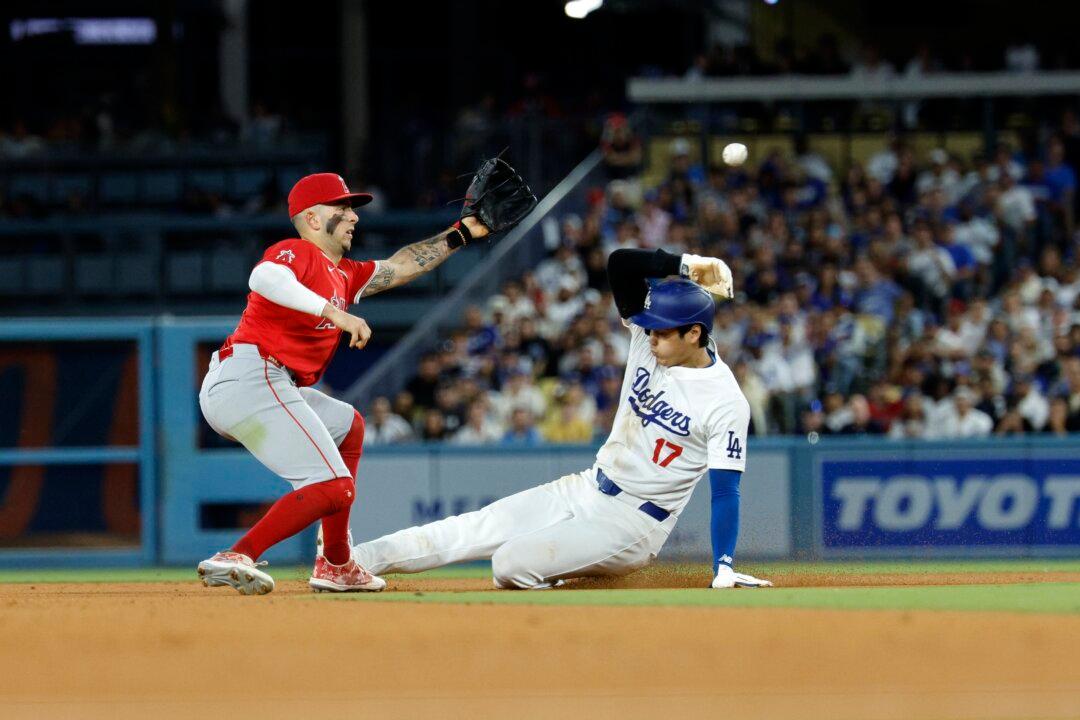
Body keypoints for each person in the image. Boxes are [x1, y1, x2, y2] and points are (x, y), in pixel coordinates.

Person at [349, 248, 771, 590]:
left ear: (693, 333)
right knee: (473, 527)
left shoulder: (725, 401)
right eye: (651, 329)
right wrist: (684, 265)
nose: (650, 336)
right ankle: (352, 560)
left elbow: (725, 492)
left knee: (509, 564)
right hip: (588, 486)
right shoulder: (649, 339)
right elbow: (620, 263)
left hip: (635, 523)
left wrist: (724, 566)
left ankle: (568, 589)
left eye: (662, 332)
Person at [196, 172, 491, 595]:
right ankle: (237, 554)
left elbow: (401, 265)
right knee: (333, 486)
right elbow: (262, 279)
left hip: (263, 382)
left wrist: (462, 232)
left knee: (348, 425)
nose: (353, 216)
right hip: (250, 374)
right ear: (313, 219)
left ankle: (336, 563)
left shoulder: (344, 274)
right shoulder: (295, 251)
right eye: (343, 208)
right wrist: (336, 315)